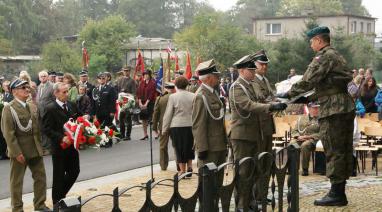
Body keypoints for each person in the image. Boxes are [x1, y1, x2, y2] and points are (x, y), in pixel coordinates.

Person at [277, 26, 355, 206]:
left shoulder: (323, 56)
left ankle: (336, 194)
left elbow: (308, 79)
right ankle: (339, 190)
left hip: (334, 109)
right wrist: (308, 98)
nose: (311, 45)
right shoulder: (336, 55)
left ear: (319, 41)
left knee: (333, 148)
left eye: (312, 41)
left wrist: (289, 94)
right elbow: (328, 86)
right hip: (342, 105)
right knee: (342, 149)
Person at [229, 54, 287, 211]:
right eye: (251, 70)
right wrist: (271, 107)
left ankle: (250, 201)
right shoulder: (237, 87)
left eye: (254, 70)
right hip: (242, 136)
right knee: (243, 172)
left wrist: (273, 103)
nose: (254, 73)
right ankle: (241, 205)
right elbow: (248, 105)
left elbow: (260, 100)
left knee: (253, 171)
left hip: (253, 134)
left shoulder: (248, 85)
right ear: (241, 71)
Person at [1, 79, 51, 212]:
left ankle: (40, 205)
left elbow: (36, 129)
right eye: (23, 87)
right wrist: (17, 152)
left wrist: (41, 147)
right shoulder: (9, 108)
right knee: (17, 182)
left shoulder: (31, 106)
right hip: (20, 151)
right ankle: (17, 209)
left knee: (40, 178)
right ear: (14, 91)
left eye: (27, 87)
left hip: (35, 149)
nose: (27, 89)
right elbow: (8, 133)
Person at [42, 82, 81, 205]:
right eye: (64, 92)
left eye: (67, 91)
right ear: (56, 93)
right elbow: (46, 129)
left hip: (72, 146)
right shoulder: (50, 108)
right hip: (59, 147)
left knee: (75, 171)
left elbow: (78, 119)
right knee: (58, 175)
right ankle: (57, 201)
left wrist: (85, 119)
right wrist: (60, 138)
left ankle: (60, 195)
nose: (67, 94)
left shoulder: (72, 105)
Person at [192, 59, 227, 185]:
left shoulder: (213, 93)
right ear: (209, 78)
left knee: (217, 183)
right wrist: (202, 148)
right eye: (216, 76)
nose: (218, 79)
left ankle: (214, 205)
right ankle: (206, 206)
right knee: (207, 185)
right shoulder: (201, 96)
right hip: (209, 148)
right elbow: (198, 124)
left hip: (219, 145)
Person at [162, 76, 195, 175]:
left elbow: (168, 114)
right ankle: (189, 166)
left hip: (176, 125)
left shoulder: (173, 97)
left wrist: (164, 129)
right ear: (186, 85)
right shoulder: (193, 96)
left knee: (178, 147)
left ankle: (182, 170)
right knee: (189, 146)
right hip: (190, 124)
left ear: (176, 85)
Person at [290, 103, 320, 176]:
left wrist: (309, 137)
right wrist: (298, 137)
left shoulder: (321, 119)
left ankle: (305, 169)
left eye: (317, 108)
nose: (316, 110)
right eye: (314, 108)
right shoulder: (301, 118)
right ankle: (294, 168)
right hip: (300, 138)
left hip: (313, 140)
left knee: (305, 145)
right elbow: (294, 130)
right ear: (309, 109)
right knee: (292, 144)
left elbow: (322, 132)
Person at [152, 82, 176, 171]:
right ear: (173, 88)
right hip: (175, 125)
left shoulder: (160, 99)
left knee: (163, 146)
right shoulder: (176, 97)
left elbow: (155, 114)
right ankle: (179, 164)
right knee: (176, 145)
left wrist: (154, 127)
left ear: (165, 88)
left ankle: (163, 165)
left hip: (163, 125)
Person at [93, 73, 117, 140]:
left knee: (106, 126)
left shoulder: (110, 88)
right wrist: (94, 113)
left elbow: (113, 101)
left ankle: (108, 141)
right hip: (99, 112)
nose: (101, 80)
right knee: (101, 126)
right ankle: (119, 136)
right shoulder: (95, 89)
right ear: (98, 80)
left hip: (107, 111)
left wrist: (112, 111)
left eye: (103, 78)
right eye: (100, 78)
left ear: (106, 79)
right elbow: (94, 102)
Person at [36, 70, 55, 155]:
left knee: (47, 129)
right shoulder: (39, 86)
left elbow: (54, 100)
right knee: (41, 129)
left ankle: (48, 148)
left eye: (44, 76)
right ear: (39, 78)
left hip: (48, 111)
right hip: (39, 111)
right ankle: (43, 147)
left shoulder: (52, 86)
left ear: (47, 77)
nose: (43, 77)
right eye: (41, 76)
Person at [116, 67, 136, 140]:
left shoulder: (132, 81)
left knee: (128, 119)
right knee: (121, 119)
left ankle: (128, 135)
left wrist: (131, 104)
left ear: (129, 72)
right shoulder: (119, 80)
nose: (126, 72)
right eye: (124, 71)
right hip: (121, 101)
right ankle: (122, 134)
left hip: (128, 101)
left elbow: (134, 93)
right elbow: (117, 90)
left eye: (127, 71)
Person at [137, 70, 156, 140]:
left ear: (149, 75)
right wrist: (140, 102)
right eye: (144, 74)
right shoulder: (142, 83)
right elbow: (138, 92)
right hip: (142, 102)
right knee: (143, 119)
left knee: (152, 118)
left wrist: (146, 103)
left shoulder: (152, 83)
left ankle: (156, 132)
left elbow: (151, 94)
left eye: (147, 74)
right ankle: (145, 134)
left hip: (150, 102)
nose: (145, 76)